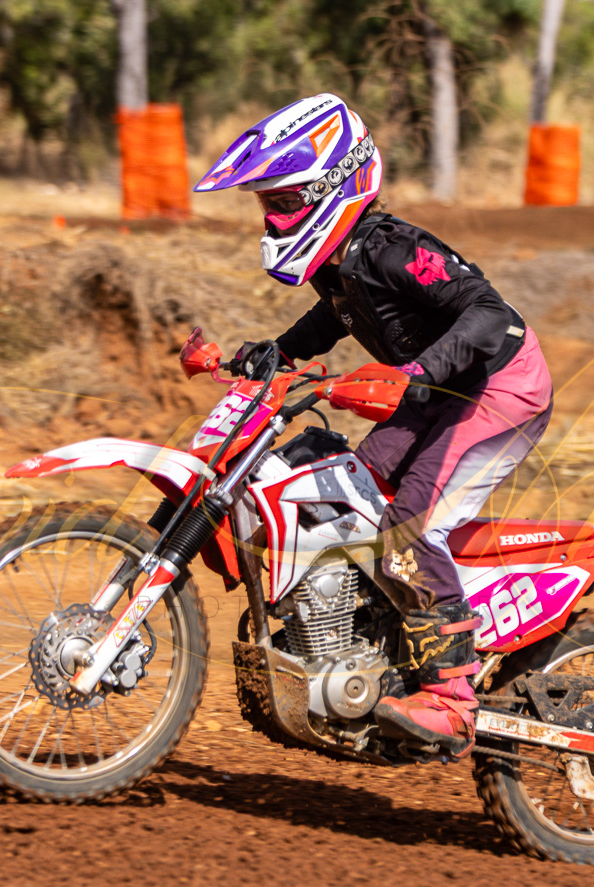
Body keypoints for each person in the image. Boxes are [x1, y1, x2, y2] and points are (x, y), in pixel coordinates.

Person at [195, 94, 553, 758]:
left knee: (411, 523)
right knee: (350, 494)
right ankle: (372, 644)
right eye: (267, 204)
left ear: (333, 187)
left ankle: (452, 697)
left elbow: (489, 314)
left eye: (284, 201)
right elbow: (336, 316)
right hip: (431, 391)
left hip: (497, 388)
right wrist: (271, 354)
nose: (273, 217)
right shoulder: (339, 264)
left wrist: (414, 373)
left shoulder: (395, 249)